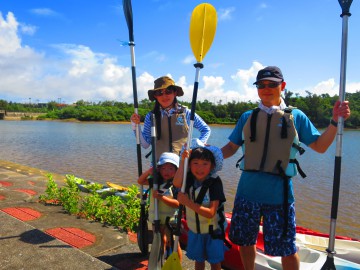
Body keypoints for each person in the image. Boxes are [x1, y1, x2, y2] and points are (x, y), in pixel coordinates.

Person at [220, 66, 351, 270]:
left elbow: (320, 146)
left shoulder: (296, 116)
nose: (266, 88)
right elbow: (230, 147)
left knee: (287, 249)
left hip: (279, 197)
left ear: (283, 86)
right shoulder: (247, 116)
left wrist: (334, 121)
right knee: (245, 242)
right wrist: (209, 155)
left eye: (272, 84)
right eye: (261, 85)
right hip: (247, 193)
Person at [173, 139, 228, 270]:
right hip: (196, 231)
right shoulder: (188, 179)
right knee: (199, 261)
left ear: (212, 166)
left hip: (212, 232)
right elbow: (176, 183)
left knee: (215, 263)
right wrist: (182, 162)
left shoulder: (215, 183)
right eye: (195, 163)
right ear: (189, 165)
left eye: (205, 164)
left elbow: (211, 213)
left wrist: (187, 202)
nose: (199, 168)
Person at [130, 76, 211, 160]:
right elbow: (145, 144)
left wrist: (199, 145)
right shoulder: (150, 116)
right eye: (159, 92)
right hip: (159, 167)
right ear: (155, 96)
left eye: (168, 91)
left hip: (182, 165)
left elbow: (206, 129)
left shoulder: (186, 113)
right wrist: (135, 126)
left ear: (175, 93)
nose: (164, 96)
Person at [137, 152, 182, 261]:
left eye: (171, 168)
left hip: (170, 220)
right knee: (160, 240)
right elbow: (140, 181)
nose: (166, 171)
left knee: (174, 243)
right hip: (156, 218)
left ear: (176, 170)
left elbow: (178, 204)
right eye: (163, 168)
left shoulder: (176, 184)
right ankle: (160, 260)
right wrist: (149, 171)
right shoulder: (155, 181)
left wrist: (161, 197)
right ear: (159, 169)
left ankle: (177, 264)